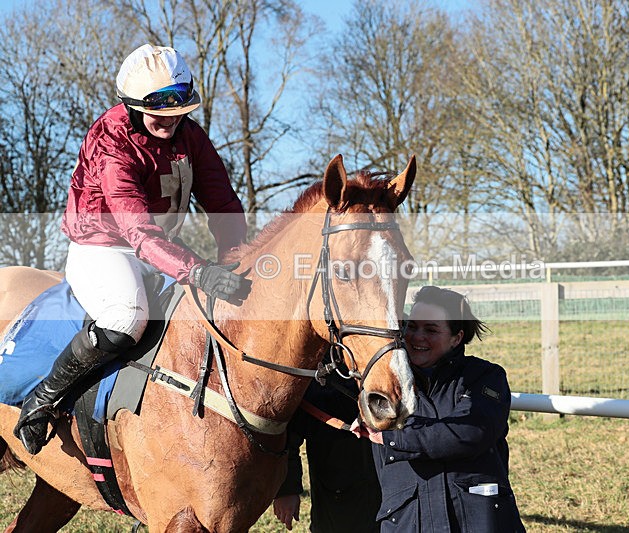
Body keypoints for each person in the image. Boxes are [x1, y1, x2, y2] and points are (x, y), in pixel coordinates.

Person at [14, 44, 251, 455]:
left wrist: (236, 260)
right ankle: (42, 400)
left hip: (161, 247)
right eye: (157, 111)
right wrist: (196, 270)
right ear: (131, 104)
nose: (168, 121)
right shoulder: (111, 142)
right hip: (103, 248)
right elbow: (138, 234)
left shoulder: (192, 135)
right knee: (128, 317)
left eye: (178, 111)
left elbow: (223, 204)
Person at [352, 285, 526, 532]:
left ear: (457, 338)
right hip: (407, 520)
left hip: (476, 520)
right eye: (411, 327)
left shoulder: (486, 376)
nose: (417, 336)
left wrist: (393, 437)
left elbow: (469, 432)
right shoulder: (386, 385)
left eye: (431, 330)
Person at [272, 376, 381, 533]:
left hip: (392, 486)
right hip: (337, 488)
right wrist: (287, 488)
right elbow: (291, 427)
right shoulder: (318, 365)